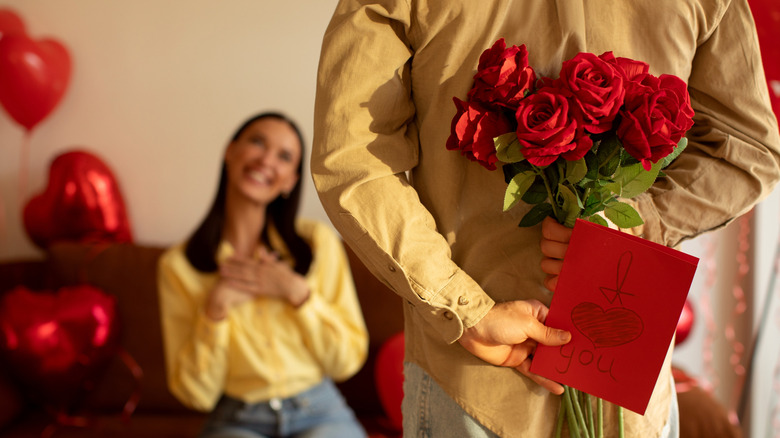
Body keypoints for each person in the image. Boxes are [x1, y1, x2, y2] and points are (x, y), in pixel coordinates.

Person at [311, 1, 780, 437]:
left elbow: (354, 159)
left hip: (480, 381)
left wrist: (467, 310)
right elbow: (748, 149)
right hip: (521, 385)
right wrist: (635, 223)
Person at [157, 112, 369, 438]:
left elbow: (346, 361)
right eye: (257, 142)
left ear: (290, 181)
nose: (266, 160)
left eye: (284, 157)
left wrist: (297, 293)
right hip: (236, 418)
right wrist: (215, 310)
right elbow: (196, 394)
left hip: (320, 410)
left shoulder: (317, 243)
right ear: (230, 151)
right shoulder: (178, 266)